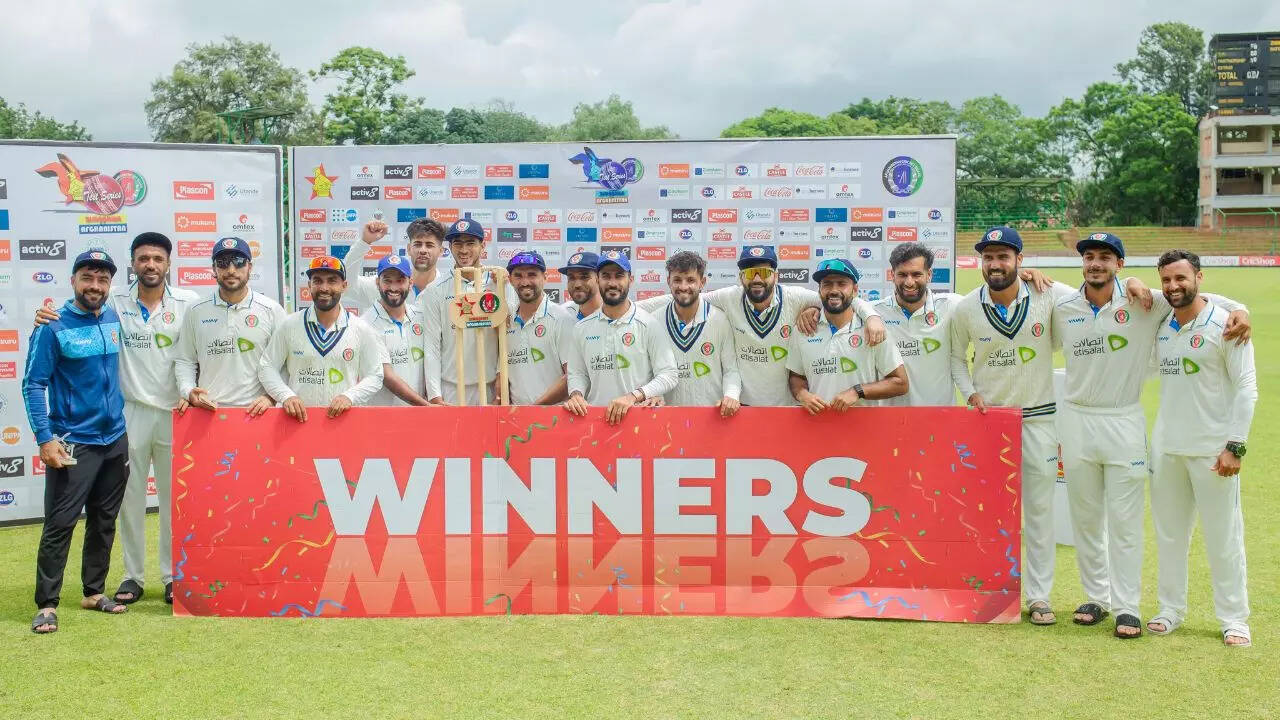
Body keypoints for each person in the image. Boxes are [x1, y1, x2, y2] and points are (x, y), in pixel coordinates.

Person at [1051, 233, 1248, 639]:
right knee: (1086, 518)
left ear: (1120, 265)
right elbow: (1032, 300)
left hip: (1124, 419)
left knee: (1126, 522)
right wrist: (1029, 273)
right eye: (1089, 256)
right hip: (1079, 420)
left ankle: (1127, 606)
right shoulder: (1064, 305)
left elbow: (1198, 300)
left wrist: (1240, 309)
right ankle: (1097, 597)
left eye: (1105, 257)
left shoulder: (1147, 302)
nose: (1096, 263)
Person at [33, 232, 201, 606]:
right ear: (133, 263)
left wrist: (191, 387)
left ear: (169, 263)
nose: (150, 265)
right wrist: (43, 315)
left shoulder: (189, 302)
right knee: (128, 502)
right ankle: (133, 576)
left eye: (157, 259)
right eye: (143, 258)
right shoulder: (114, 302)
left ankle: (172, 576)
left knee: (174, 501)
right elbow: (75, 313)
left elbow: (201, 345)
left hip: (175, 414)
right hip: (129, 414)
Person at [948, 227, 1068, 626]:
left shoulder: (1047, 294)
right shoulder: (966, 308)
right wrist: (969, 393)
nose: (995, 264)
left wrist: (1132, 281)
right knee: (989, 513)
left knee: (1039, 511)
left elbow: (1093, 296)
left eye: (1003, 256)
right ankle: (989, 588)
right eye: (988, 257)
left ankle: (1039, 596)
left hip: (1038, 419)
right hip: (990, 424)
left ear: (1020, 259)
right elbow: (955, 358)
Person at [1147, 250, 1257, 647]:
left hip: (1214, 452)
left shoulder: (1226, 325)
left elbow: (1247, 387)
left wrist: (1235, 446)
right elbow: (1138, 294)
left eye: (1181, 278)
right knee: (1170, 536)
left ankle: (1234, 618)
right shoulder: (1162, 323)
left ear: (1199, 277)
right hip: (1168, 449)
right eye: (1166, 280)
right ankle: (1170, 609)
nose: (1173, 286)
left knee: (1223, 538)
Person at [22, 250, 130, 633]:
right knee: (60, 523)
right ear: (73, 281)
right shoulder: (51, 326)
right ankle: (47, 604)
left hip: (115, 438)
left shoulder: (114, 318)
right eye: (87, 278)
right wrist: (44, 438)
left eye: (102, 279)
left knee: (104, 520)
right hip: (72, 442)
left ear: (110, 284)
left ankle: (93, 592)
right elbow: (33, 384)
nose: (94, 286)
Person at [637, 245, 885, 406]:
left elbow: (838, 297)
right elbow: (682, 297)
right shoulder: (729, 298)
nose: (757, 279)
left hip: (788, 407)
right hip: (743, 408)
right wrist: (629, 308)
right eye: (749, 273)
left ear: (776, 275)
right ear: (740, 278)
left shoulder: (796, 298)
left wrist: (871, 317)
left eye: (764, 273)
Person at [258, 256, 385, 419]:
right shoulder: (289, 325)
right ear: (309, 285)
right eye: (317, 281)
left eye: (332, 281)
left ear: (344, 286)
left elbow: (375, 375)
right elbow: (267, 366)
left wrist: (350, 396)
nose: (324, 288)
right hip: (297, 422)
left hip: (343, 423)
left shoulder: (361, 329)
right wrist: (286, 396)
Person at [565, 251, 678, 425]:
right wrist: (576, 394)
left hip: (639, 423)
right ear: (597, 280)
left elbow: (669, 374)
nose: (612, 283)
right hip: (596, 424)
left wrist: (633, 397)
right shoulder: (581, 328)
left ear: (630, 280)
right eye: (606, 276)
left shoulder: (648, 324)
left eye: (619, 276)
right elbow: (577, 373)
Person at [175, 237, 285, 414]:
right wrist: (188, 391)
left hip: (258, 414)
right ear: (214, 268)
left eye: (239, 262)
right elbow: (185, 361)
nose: (231, 270)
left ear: (250, 267)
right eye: (223, 263)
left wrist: (271, 397)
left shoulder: (272, 310)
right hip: (209, 412)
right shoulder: (195, 310)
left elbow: (285, 363)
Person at [786, 258, 907, 412]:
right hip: (817, 423)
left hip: (864, 425)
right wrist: (802, 394)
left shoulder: (873, 329)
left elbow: (901, 383)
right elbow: (796, 376)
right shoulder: (804, 329)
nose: (834, 290)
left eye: (842, 284)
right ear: (819, 290)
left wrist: (858, 391)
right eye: (827, 284)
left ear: (855, 290)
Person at [419, 219, 516, 405]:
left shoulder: (499, 282)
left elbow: (508, 334)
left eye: (470, 243)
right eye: (458, 243)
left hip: (489, 387)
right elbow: (431, 345)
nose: (463, 250)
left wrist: (501, 375)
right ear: (450, 247)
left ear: (483, 246)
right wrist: (434, 395)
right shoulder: (435, 290)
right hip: (451, 389)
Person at [873, 243, 965, 406]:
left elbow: (985, 303)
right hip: (892, 417)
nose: (909, 282)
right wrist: (869, 316)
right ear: (892, 275)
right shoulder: (874, 312)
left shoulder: (950, 305)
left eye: (916, 274)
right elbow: (842, 304)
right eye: (902, 275)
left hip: (940, 416)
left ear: (929, 275)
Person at [659, 251, 741, 414]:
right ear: (669, 281)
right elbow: (649, 372)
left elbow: (731, 370)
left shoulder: (720, 319)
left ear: (702, 282)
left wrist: (731, 395)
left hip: (712, 417)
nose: (683, 287)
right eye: (677, 280)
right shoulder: (655, 321)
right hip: (667, 418)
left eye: (690, 280)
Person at [505, 250, 575, 405]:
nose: (525, 282)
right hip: (516, 416)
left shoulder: (561, 318)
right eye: (518, 276)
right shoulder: (507, 321)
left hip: (554, 415)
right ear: (510, 280)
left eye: (532, 275)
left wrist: (534, 409)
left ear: (545, 277)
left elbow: (573, 376)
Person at [362, 254, 434, 406]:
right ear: (377, 283)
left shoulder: (421, 317)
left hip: (419, 414)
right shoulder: (366, 324)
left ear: (410, 283)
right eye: (387, 281)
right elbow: (387, 376)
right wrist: (426, 406)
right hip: (383, 415)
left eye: (400, 280)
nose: (393, 288)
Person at [343, 218, 449, 309]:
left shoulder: (448, 289)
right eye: (417, 244)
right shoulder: (385, 287)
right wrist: (364, 242)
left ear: (441, 251)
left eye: (429, 245)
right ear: (409, 249)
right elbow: (347, 284)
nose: (422, 250)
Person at [561, 251, 602, 320]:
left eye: (584, 277)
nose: (577, 285)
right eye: (571, 278)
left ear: (599, 278)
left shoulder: (613, 314)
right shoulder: (562, 314)